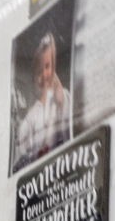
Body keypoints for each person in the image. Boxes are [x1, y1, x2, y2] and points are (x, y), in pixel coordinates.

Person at [15, 30, 73, 166]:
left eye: (48, 67)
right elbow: (22, 156)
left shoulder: (61, 98)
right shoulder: (30, 118)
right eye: (39, 70)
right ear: (35, 76)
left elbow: (65, 108)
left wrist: (57, 88)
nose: (45, 74)